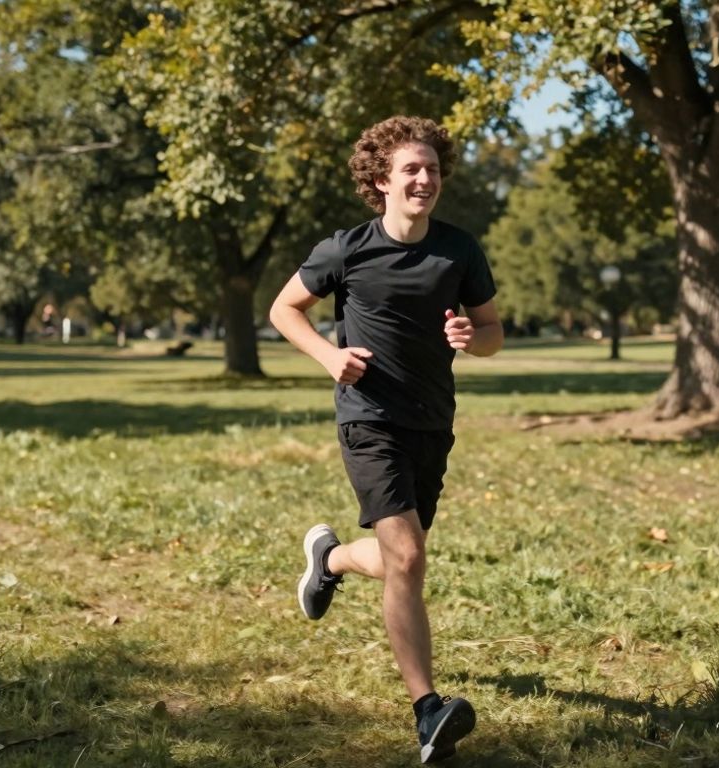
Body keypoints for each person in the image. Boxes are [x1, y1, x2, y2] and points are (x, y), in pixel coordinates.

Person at [269, 115, 503, 764]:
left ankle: (332, 560)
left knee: (404, 559)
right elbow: (284, 309)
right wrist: (328, 356)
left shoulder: (459, 250)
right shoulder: (346, 250)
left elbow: (492, 332)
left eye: (432, 169)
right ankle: (428, 711)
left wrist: (472, 339)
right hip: (368, 418)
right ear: (382, 180)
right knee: (408, 557)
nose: (425, 178)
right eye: (411, 169)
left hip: (432, 421)